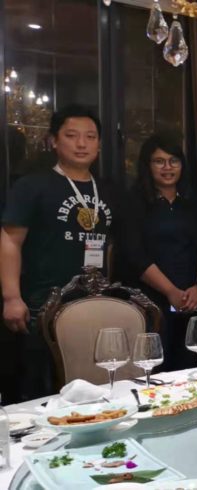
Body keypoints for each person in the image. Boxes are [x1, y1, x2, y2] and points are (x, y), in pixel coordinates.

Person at [1, 105, 114, 400]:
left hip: (93, 304)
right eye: (72, 136)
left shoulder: (107, 190)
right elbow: (10, 240)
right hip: (42, 305)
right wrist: (11, 297)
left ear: (99, 144)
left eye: (90, 137)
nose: (82, 144)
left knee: (92, 389)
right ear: (53, 141)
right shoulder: (32, 186)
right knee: (41, 390)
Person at [119, 132, 197, 370]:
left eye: (173, 161)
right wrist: (170, 291)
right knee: (155, 369)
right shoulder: (133, 202)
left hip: (191, 299)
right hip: (149, 302)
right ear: (148, 165)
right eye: (159, 161)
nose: (167, 168)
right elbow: (135, 255)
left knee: (191, 369)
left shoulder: (195, 202)